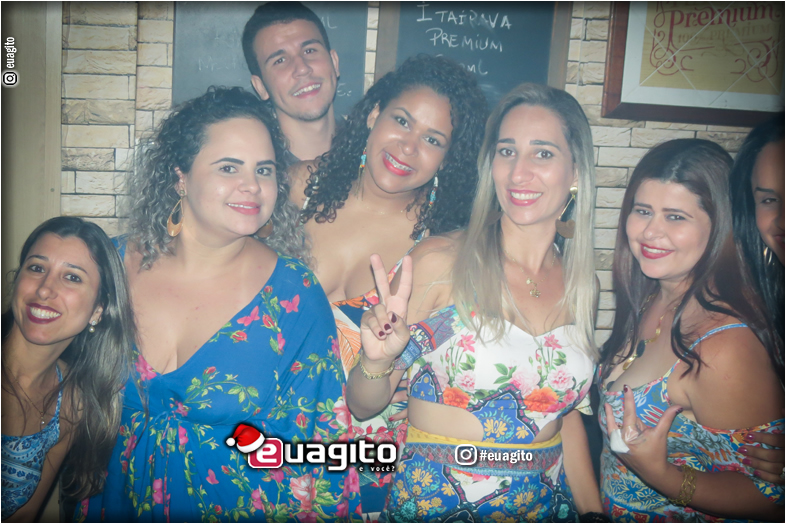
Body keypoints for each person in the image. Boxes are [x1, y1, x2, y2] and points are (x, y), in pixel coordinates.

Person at [77, 87, 359, 522]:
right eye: (229, 167)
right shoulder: (106, 267)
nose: (252, 185)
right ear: (181, 177)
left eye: (264, 170)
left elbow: (323, 444)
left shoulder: (292, 294)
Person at [347, 83, 604, 521]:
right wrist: (376, 361)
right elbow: (364, 403)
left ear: (576, 171)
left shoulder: (582, 284)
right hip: (437, 506)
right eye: (507, 151)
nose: (519, 173)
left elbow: (566, 417)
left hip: (547, 507)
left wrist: (594, 512)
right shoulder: (442, 262)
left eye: (542, 153)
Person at [290, 54, 488, 518]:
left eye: (433, 140)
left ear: (448, 158)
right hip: (271, 433)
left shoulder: (441, 249)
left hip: (369, 460)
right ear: (374, 114)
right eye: (402, 120)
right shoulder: (298, 188)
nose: (408, 147)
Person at [597, 139, 783, 521]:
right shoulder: (650, 296)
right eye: (643, 211)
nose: (651, 232)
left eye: (676, 217)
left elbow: (770, 495)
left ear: (720, 226)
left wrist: (663, 477)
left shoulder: (724, 346)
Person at [2, 217, 135, 521]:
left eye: (72, 277)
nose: (45, 290)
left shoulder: (73, 402)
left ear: (98, 310)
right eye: (36, 268)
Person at [243, 1, 339, 168]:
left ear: (335, 62)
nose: (302, 68)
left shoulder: (374, 152)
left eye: (309, 50)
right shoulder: (255, 175)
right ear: (261, 87)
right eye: (280, 60)